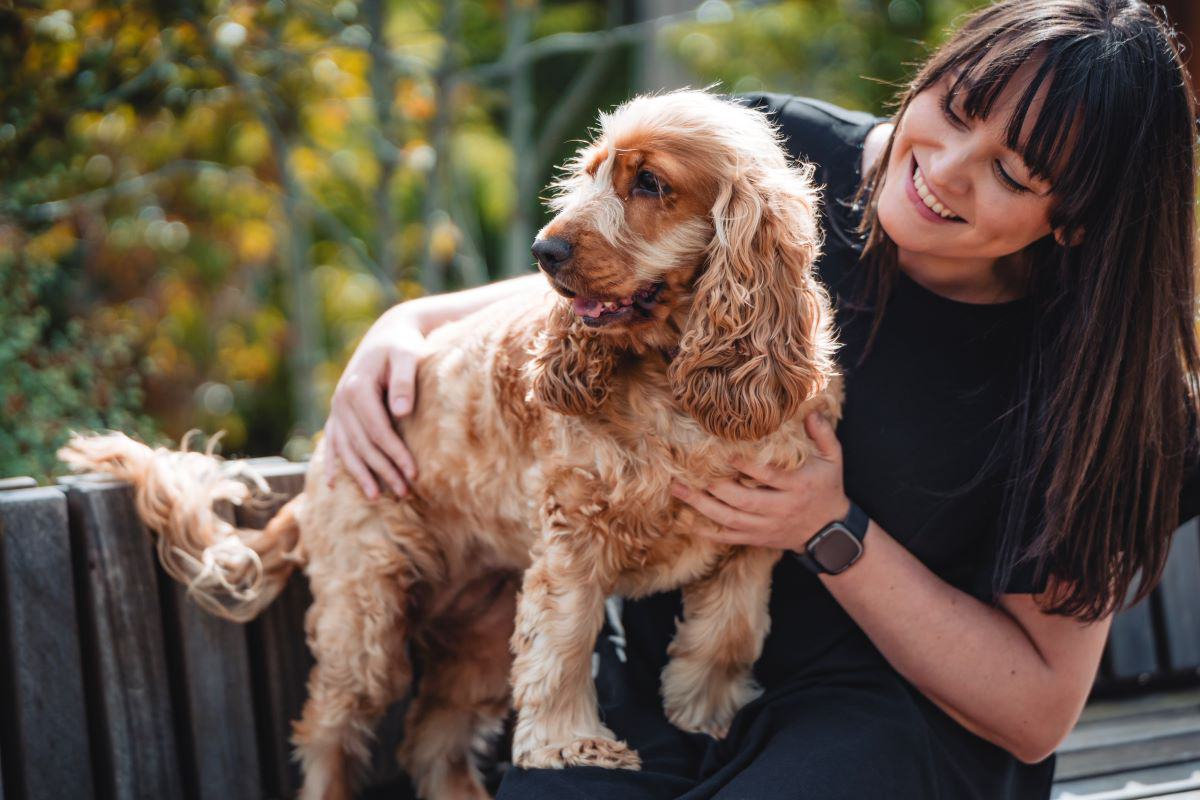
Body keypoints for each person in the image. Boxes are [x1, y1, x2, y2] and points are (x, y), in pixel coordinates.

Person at [324, 0, 1200, 796]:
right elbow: (609, 280)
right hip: (662, 662)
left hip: (891, 721)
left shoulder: (1104, 379)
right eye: (957, 109)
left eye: (1012, 172)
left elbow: (1036, 708)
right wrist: (408, 322)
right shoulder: (776, 151)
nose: (944, 169)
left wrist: (829, 530)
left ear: (1078, 219)